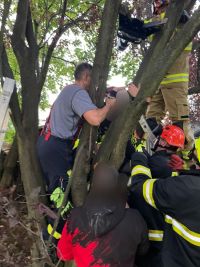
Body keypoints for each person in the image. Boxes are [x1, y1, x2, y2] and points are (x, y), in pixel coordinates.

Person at [37, 62, 116, 238]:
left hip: (52, 145)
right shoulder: (78, 92)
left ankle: (55, 235)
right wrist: (109, 105)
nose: (94, 86)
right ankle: (51, 240)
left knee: (60, 190)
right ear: (86, 77)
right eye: (93, 81)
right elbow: (95, 119)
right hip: (54, 148)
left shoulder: (70, 91)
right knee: (61, 199)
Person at [129, 131, 200, 267]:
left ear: (163, 142)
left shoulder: (186, 187)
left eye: (194, 159)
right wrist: (183, 171)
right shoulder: (181, 178)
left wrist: (139, 156)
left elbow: (139, 187)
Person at [57, 163, 149, 267]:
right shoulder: (134, 218)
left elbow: (63, 254)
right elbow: (143, 250)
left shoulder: (75, 217)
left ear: (92, 186)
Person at [146, 0, 194, 155]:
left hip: (175, 83)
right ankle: (159, 152)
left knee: (180, 126)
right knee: (150, 121)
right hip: (160, 82)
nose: (156, 8)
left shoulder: (179, 19)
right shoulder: (159, 22)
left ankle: (189, 161)